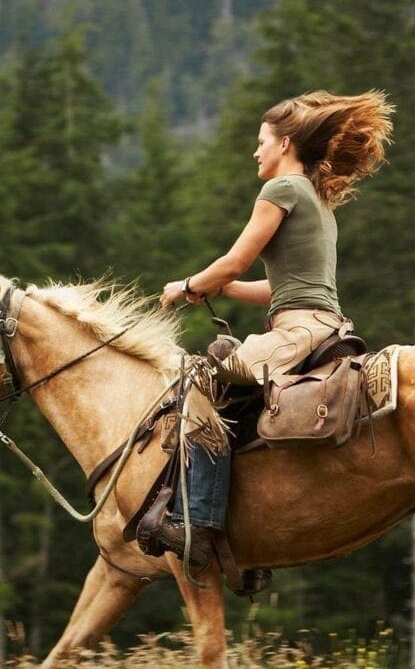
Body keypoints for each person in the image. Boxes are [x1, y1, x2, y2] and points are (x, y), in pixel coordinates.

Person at [153, 90, 394, 572]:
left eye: (261, 141)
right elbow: (282, 287)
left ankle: (199, 521)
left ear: (285, 144)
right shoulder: (318, 200)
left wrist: (186, 285)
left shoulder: (280, 190)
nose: (255, 151)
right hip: (321, 324)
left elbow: (235, 259)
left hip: (298, 330)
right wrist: (223, 290)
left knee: (195, 382)